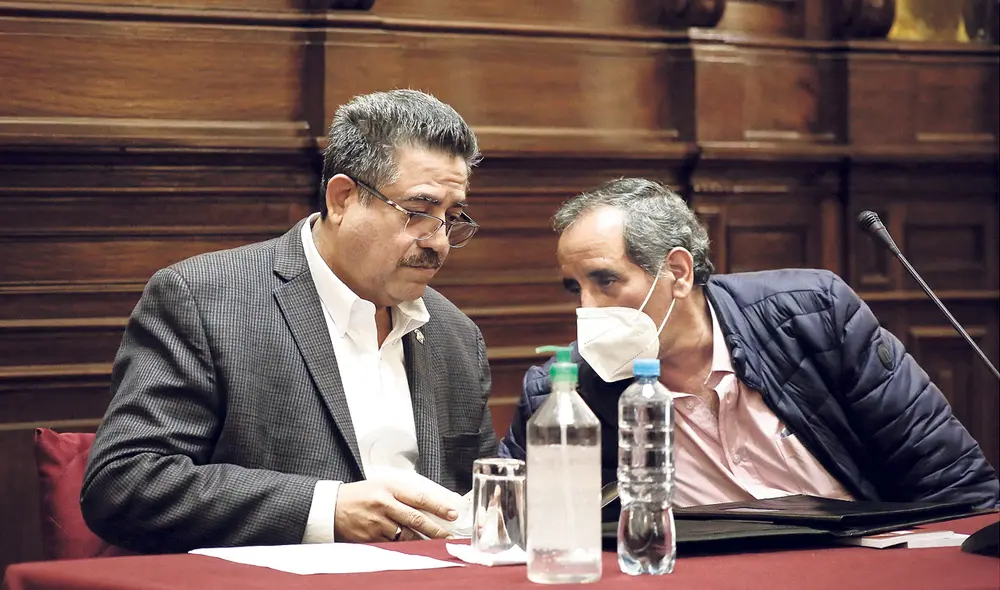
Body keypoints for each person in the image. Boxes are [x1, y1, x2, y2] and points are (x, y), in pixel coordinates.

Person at [82, 89, 498, 553]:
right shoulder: (205, 299)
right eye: (420, 211)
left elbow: (482, 501)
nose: (439, 242)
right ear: (342, 199)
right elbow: (124, 484)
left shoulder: (455, 334)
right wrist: (326, 510)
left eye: (453, 216)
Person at [499, 177, 999, 511]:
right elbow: (516, 520)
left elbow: (957, 486)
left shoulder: (813, 318)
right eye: (575, 288)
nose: (586, 308)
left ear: (676, 271)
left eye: (605, 281)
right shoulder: (564, 394)